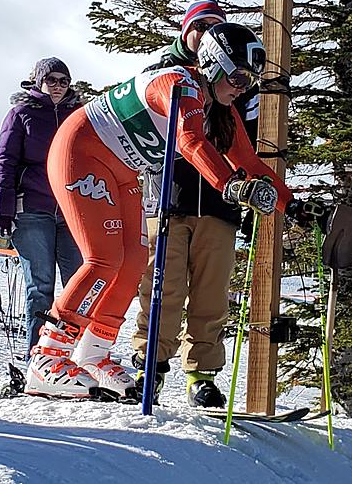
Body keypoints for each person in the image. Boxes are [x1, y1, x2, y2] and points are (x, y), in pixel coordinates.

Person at [25, 22, 319, 401]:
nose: (243, 87)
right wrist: (229, 185)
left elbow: (248, 161)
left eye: (249, 81)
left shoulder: (220, 108)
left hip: (120, 167)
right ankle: (47, 356)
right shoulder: (179, 84)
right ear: (212, 65)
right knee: (103, 259)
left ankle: (93, 353)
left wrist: (293, 205)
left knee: (132, 262)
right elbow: (190, 140)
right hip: (80, 152)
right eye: (237, 76)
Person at [129, 0, 271, 408]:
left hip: (220, 200)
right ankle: (148, 367)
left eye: (215, 27)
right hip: (168, 194)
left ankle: (201, 374)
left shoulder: (239, 80)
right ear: (187, 30)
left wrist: (246, 191)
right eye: (201, 27)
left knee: (211, 292)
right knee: (162, 289)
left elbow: (246, 142)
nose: (207, 34)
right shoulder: (163, 73)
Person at [0, 57, 84, 361]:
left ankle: (75, 352)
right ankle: (39, 354)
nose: (57, 86)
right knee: (40, 286)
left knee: (78, 283)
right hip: (33, 208)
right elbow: (5, 164)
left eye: (63, 80)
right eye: (51, 80)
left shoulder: (79, 114)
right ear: (38, 81)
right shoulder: (21, 115)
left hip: (72, 210)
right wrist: (3, 212)